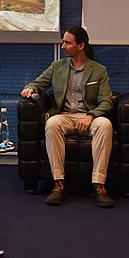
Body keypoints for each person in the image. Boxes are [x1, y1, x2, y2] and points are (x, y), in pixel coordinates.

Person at [20, 26, 115, 208]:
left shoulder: (99, 70)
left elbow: (107, 102)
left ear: (81, 46)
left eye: (67, 42)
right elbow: (37, 82)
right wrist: (31, 88)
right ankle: (58, 184)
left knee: (105, 125)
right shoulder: (57, 67)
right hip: (64, 116)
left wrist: (91, 116)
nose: (63, 45)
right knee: (52, 123)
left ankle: (98, 185)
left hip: (89, 116)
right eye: (63, 41)